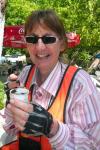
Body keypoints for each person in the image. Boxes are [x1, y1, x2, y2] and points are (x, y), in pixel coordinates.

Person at [1, 9, 100, 150]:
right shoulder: (25, 74)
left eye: (48, 39)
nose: (39, 47)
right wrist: (11, 106)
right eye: (32, 39)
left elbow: (94, 144)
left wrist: (52, 127)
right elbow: (12, 129)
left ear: (62, 44)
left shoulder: (80, 84)